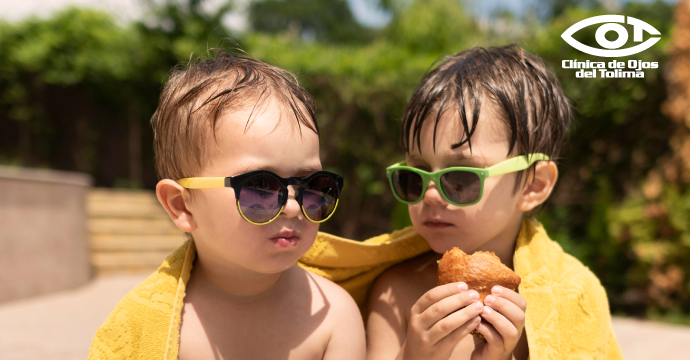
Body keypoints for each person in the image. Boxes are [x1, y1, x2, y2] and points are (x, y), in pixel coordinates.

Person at [88, 50, 365, 360]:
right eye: (260, 186)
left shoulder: (333, 316)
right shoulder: (148, 329)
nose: (292, 206)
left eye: (313, 184)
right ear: (183, 206)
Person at [365, 45, 624, 360]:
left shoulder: (572, 296)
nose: (430, 193)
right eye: (415, 175)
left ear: (533, 185)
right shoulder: (395, 294)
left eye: (460, 178)